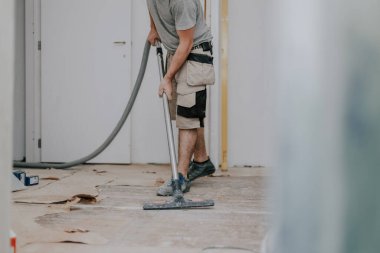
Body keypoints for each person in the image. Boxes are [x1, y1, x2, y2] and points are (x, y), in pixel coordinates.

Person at [146, 0, 216, 196]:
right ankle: (201, 161)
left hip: (194, 53)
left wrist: (167, 77)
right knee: (187, 113)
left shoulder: (181, 1)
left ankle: (181, 177)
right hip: (176, 52)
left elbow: (187, 42)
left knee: (188, 117)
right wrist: (153, 28)